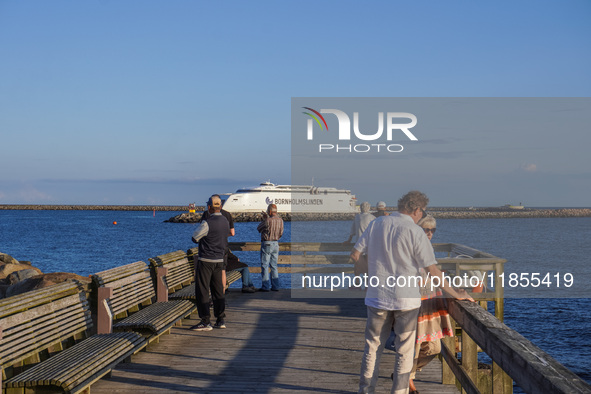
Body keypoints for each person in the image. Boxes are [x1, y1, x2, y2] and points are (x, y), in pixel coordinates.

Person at [351, 191, 473, 394]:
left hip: (376, 297)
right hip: (406, 301)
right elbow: (433, 271)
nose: (422, 216)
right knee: (404, 351)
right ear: (416, 209)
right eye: (422, 212)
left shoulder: (376, 224)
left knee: (372, 348)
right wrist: (455, 293)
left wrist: (370, 274)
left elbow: (355, 255)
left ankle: (365, 390)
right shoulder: (415, 232)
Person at [408, 214, 453, 394]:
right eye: (426, 229)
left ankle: (404, 374)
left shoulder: (429, 248)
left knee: (434, 348)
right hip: (416, 303)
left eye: (432, 230)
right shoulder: (412, 247)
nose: (429, 233)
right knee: (414, 347)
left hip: (432, 302)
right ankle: (409, 381)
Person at [190, 195, 229, 331]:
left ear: (209, 207)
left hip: (206, 260)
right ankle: (220, 319)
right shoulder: (225, 221)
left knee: (202, 290)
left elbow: (195, 238)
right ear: (221, 206)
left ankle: (205, 321)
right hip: (219, 260)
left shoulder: (207, 222)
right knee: (218, 291)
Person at [200, 194, 235, 291]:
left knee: (208, 276)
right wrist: (222, 234)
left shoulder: (207, 214)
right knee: (222, 270)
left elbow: (201, 231)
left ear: (210, 206)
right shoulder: (227, 214)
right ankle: (222, 293)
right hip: (223, 247)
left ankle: (211, 296)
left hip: (208, 251)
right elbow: (232, 233)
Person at [257, 203, 284, 292]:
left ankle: (265, 286)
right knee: (274, 266)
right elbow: (281, 233)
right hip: (276, 244)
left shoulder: (267, 220)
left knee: (265, 265)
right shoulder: (281, 220)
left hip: (267, 243)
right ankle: (275, 286)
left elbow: (259, 229)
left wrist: (264, 219)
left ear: (269, 211)